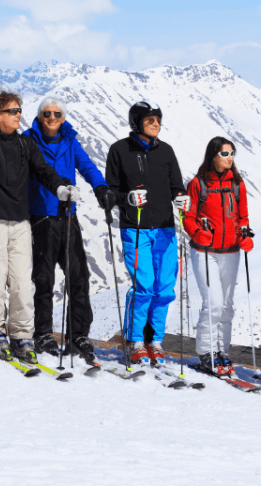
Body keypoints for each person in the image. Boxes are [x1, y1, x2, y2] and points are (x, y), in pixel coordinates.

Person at [0, 91, 74, 364]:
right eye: (12, 111)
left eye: (19, 110)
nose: (18, 114)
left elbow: (43, 170)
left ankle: (22, 335)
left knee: (22, 284)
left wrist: (60, 188)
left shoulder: (25, 144)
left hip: (21, 223)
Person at [23, 96, 114, 360]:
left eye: (57, 114)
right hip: (41, 217)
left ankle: (78, 335)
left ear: (64, 117)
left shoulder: (70, 141)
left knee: (78, 276)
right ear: (40, 116)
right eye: (47, 114)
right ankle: (43, 333)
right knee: (44, 279)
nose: (52, 118)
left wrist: (101, 188)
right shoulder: (29, 141)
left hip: (68, 217)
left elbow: (87, 166)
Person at [103, 101, 187, 367]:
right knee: (144, 286)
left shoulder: (166, 151)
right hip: (135, 227)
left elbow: (177, 186)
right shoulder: (119, 150)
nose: (156, 124)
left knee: (164, 288)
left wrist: (182, 198)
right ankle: (135, 340)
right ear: (136, 122)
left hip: (165, 228)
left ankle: (155, 341)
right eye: (150, 120)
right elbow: (110, 192)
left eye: (158, 119)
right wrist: (127, 198)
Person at [182, 136, 252, 375]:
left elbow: (243, 217)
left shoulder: (237, 184)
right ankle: (206, 352)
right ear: (212, 155)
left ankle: (223, 352)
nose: (230, 158)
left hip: (231, 251)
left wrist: (245, 235)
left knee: (226, 306)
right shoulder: (198, 183)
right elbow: (188, 216)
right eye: (224, 154)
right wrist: (196, 233)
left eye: (232, 153)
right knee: (212, 304)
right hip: (204, 252)